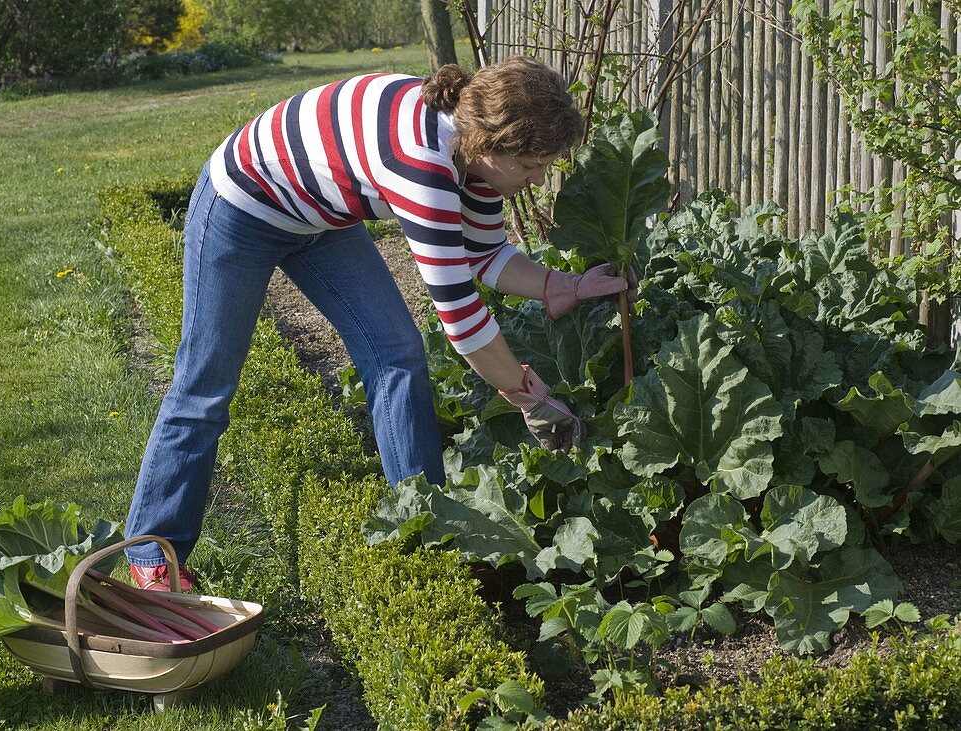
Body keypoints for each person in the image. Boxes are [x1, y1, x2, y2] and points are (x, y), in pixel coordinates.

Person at [124, 56, 633, 591]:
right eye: (532, 167)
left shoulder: (476, 159)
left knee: (397, 355)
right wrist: (528, 396)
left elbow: (486, 257)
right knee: (206, 388)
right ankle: (151, 559)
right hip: (244, 204)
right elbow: (461, 318)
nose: (538, 179)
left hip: (322, 217)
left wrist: (566, 286)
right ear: (491, 146)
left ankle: (425, 529)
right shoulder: (423, 164)